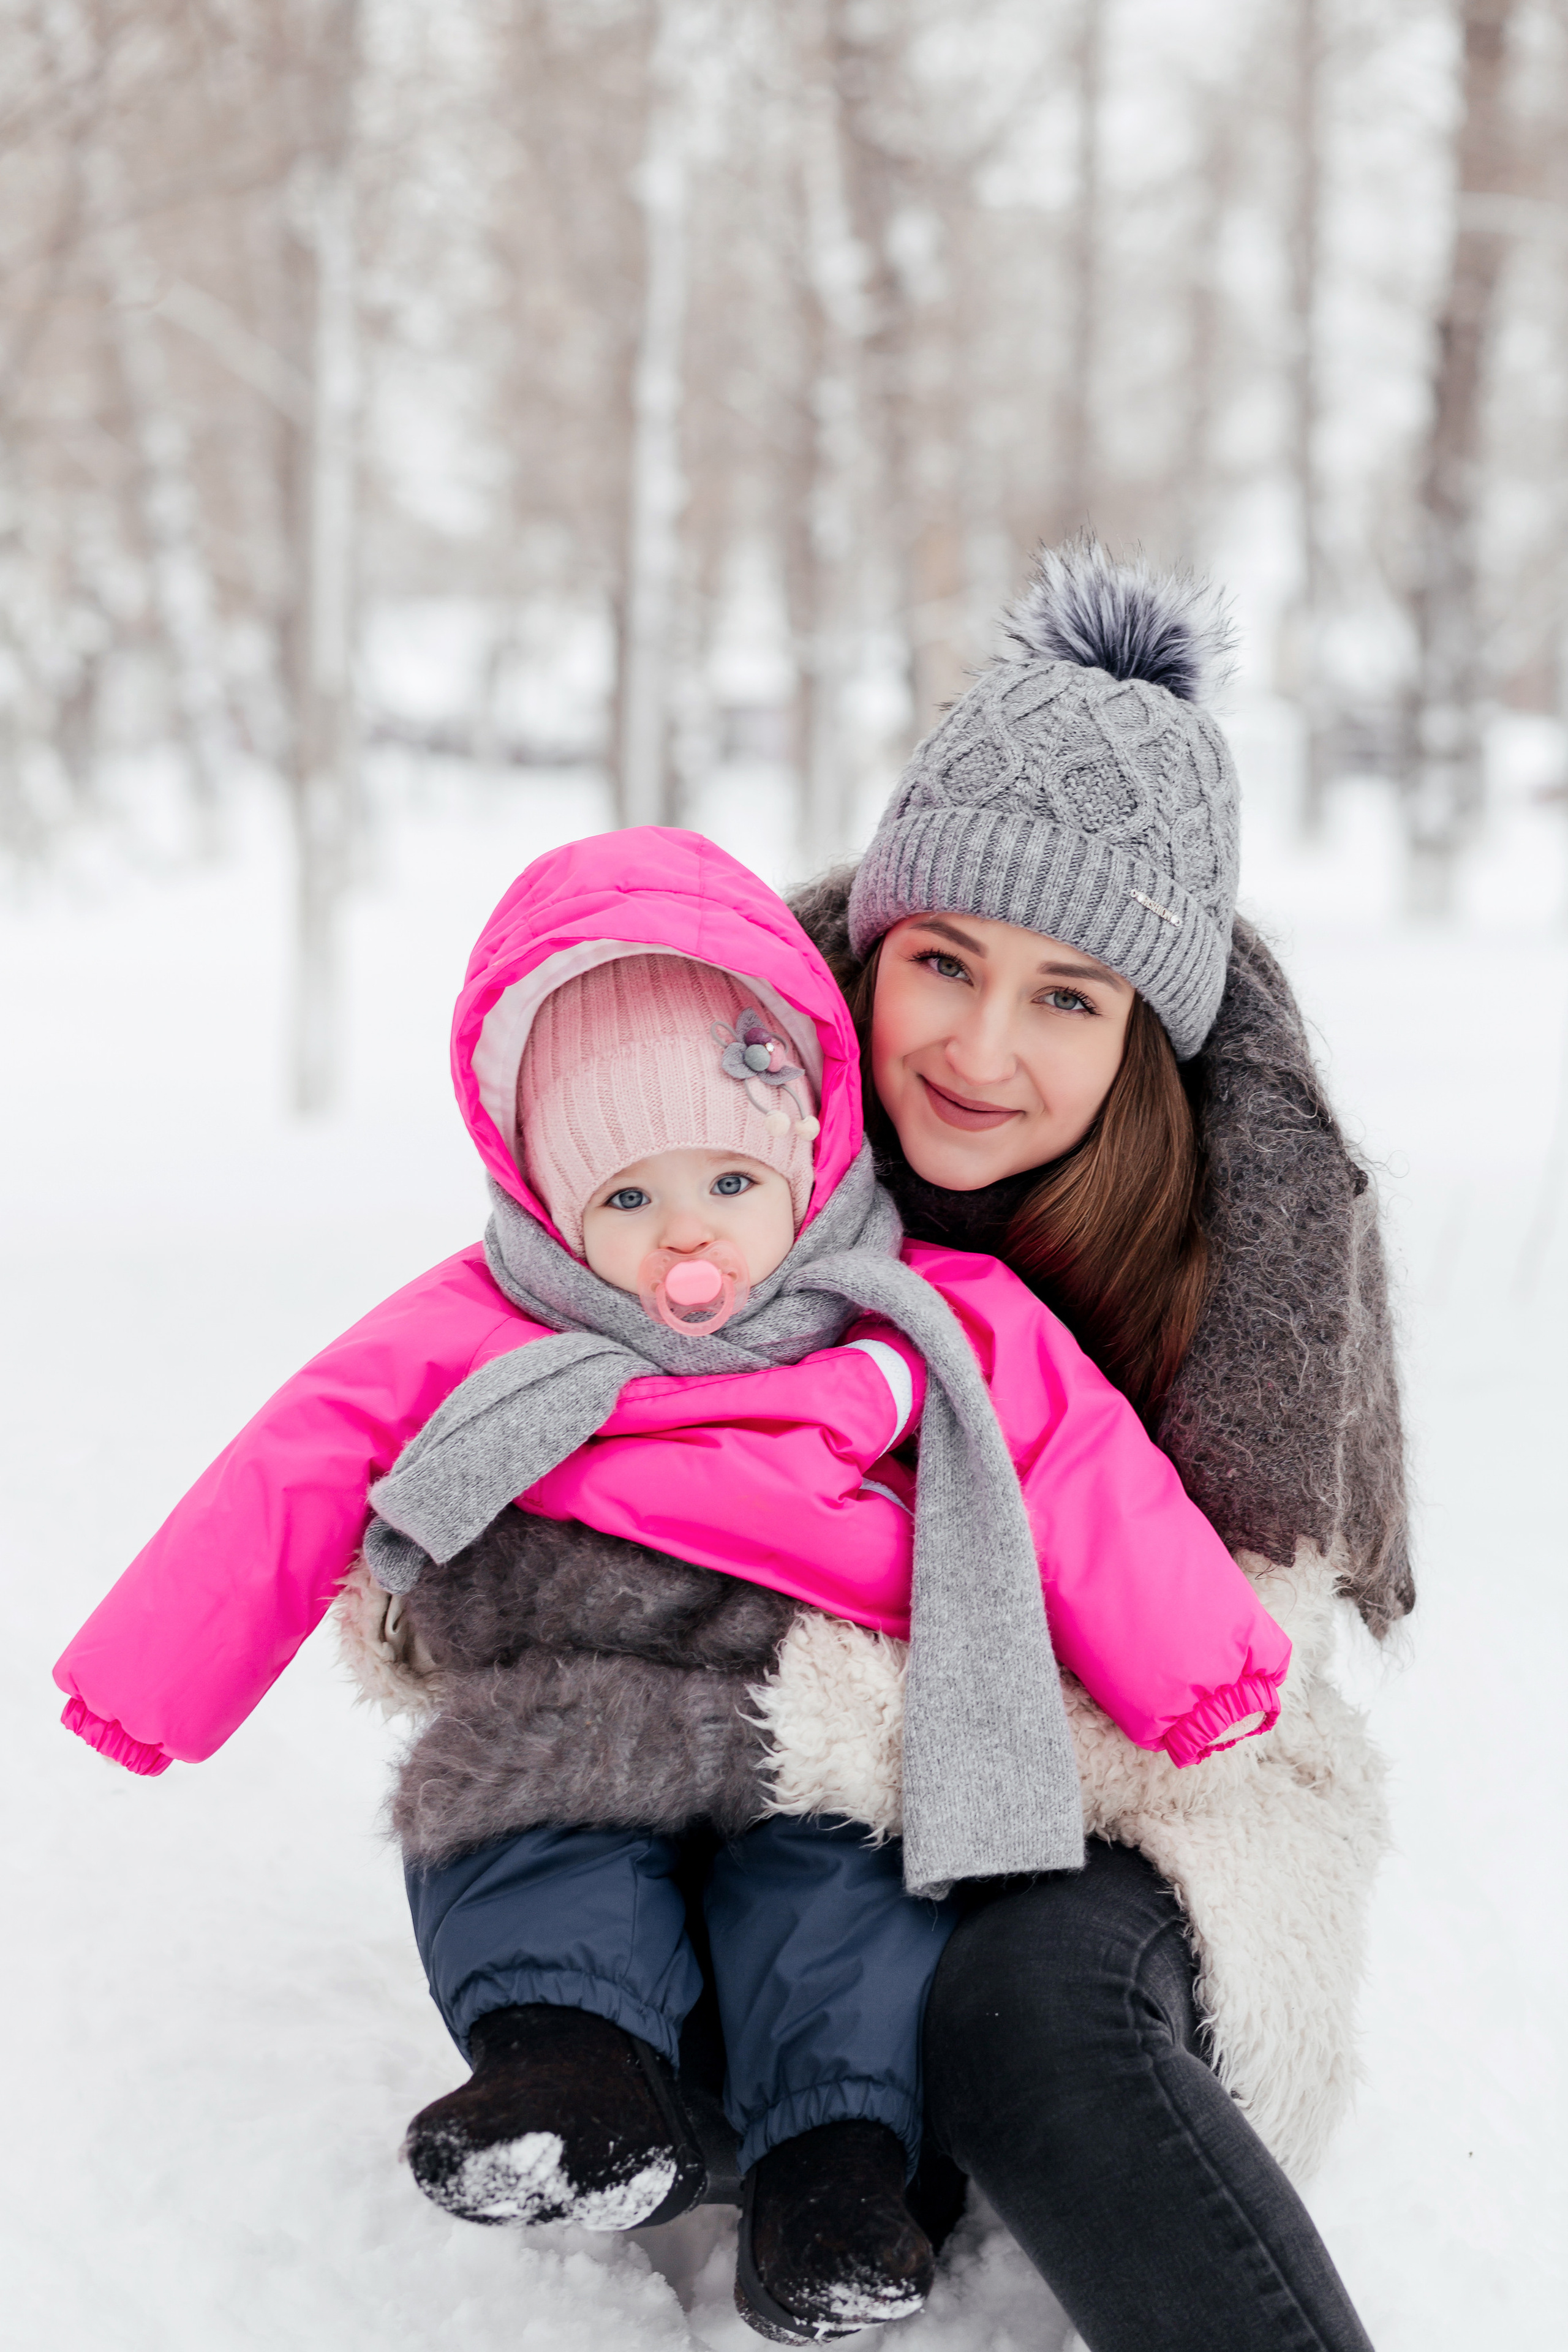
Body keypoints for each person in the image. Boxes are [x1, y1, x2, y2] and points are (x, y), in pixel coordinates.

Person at [53, 823, 1290, 2345]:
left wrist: (1203, 1671)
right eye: (626, 1202)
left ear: (812, 1151)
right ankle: (567, 2071)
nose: (686, 1234)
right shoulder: (484, 1315)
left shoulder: (916, 1308)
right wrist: (151, 1678)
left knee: (842, 1889)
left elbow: (1079, 1467)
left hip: (803, 1702)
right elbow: (303, 1454)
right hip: (577, 1678)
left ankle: (830, 2171)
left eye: (725, 1177)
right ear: (550, 1202)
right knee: (509, 1823)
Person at [404, 540, 1408, 2350]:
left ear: (1144, 1039)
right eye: (944, 960)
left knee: (1028, 2008)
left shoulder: (1238, 1244)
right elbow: (496, 1415)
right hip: (733, 1763)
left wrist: (864, 1681)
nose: (980, 1048)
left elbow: (1229, 1676)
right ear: (874, 938)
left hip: (1112, 1780)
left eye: (1069, 999)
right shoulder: (721, 1095)